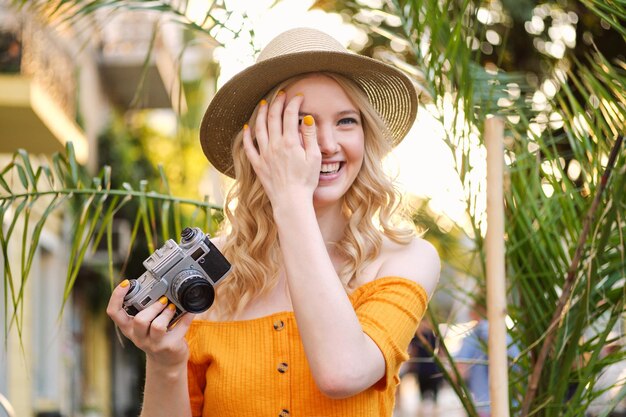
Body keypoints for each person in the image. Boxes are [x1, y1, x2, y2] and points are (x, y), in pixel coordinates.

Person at [106, 27, 440, 417]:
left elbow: (343, 372)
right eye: (301, 122)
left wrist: (291, 197)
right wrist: (165, 363)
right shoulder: (211, 276)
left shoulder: (403, 259)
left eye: (347, 121)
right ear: (258, 142)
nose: (328, 144)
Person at [455, 301, 520, 417]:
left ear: (475, 313)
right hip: (511, 405)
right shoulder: (506, 335)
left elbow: (460, 370)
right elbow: (518, 365)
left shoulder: (474, 336)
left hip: (484, 405)